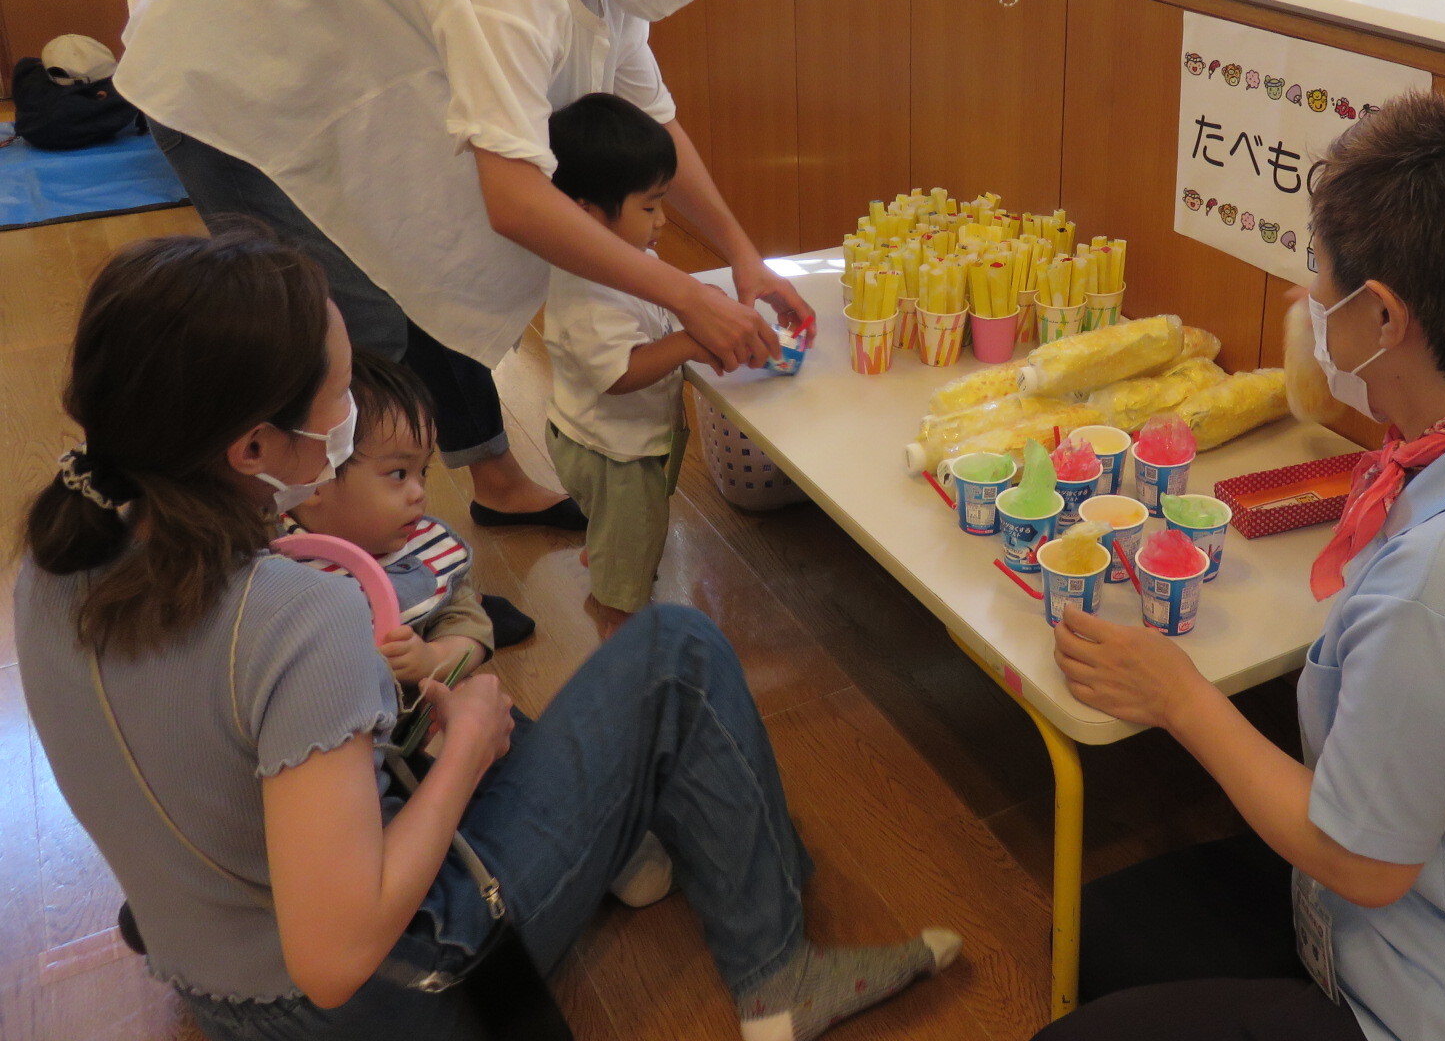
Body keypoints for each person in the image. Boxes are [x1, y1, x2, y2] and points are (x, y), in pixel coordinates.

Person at [14, 231, 958, 1041]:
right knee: (677, 653)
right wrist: (468, 743)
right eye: (339, 399)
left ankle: (677, 845)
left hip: (209, 977)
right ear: (252, 450)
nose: (350, 421)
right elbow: (338, 959)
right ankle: (778, 967)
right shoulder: (299, 616)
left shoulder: (56, 558)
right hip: (367, 1003)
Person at [1040, 93, 1445, 1041]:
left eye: (1320, 278)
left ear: (1386, 316)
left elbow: (1363, 865)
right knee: (1103, 933)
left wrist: (1180, 698)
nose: (1307, 301)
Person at [117, 0, 816, 538]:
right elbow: (515, 204)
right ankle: (343, 563)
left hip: (324, 56)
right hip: (226, 77)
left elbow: (656, 126)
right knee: (348, 331)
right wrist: (687, 296)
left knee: (426, 265)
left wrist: (742, 257)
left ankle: (491, 482)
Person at [542, 93, 713, 636]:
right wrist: (689, 342)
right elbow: (620, 374)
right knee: (631, 550)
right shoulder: (592, 294)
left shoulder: (629, 260)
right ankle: (620, 629)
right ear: (587, 212)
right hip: (614, 455)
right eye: (649, 206)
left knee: (624, 531)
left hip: (610, 439)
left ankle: (610, 550)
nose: (663, 221)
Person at [285, 351, 498, 684]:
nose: (419, 492)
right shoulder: (267, 553)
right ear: (314, 478)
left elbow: (471, 627)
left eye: (422, 471)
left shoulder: (423, 550)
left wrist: (434, 658)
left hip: (414, 719)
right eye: (399, 473)